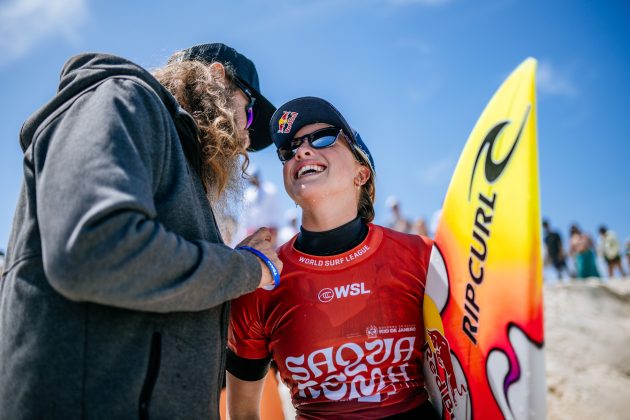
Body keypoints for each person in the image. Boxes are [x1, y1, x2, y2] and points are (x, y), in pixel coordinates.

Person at [0, 43, 283, 419]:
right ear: (217, 77)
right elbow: (94, 249)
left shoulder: (180, 165)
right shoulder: (123, 98)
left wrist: (233, 264)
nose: (245, 140)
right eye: (247, 115)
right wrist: (246, 268)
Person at [226, 97, 439, 418]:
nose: (301, 151)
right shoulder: (262, 280)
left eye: (323, 137)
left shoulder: (422, 257)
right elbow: (243, 414)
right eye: (289, 150)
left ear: (361, 173)